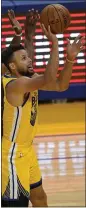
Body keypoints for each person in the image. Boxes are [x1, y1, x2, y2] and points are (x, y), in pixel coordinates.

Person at [1, 9, 85, 207]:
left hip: (27, 150)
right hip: (11, 155)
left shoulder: (28, 80)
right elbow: (49, 78)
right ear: (12, 67)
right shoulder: (14, 85)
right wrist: (54, 44)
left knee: (39, 199)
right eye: (24, 58)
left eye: (28, 57)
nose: (29, 59)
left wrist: (70, 60)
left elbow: (61, 85)